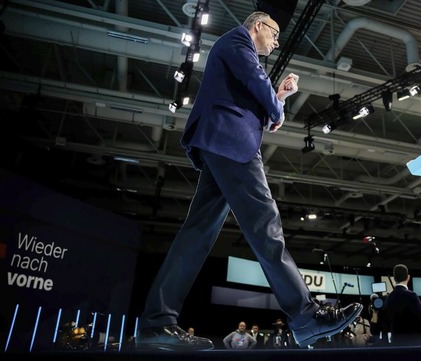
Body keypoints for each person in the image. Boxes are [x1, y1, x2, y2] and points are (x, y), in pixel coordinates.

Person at [135, 11, 362, 351]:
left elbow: (259, 104)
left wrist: (279, 99)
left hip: (221, 143)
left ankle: (156, 324)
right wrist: (277, 105)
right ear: (258, 26)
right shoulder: (238, 41)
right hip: (230, 143)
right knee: (266, 227)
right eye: (274, 33)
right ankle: (305, 317)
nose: (277, 41)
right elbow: (259, 89)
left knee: (196, 235)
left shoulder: (237, 52)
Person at [383, 264, 421, 346]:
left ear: (394, 278)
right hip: (413, 344)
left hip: (396, 344)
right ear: (408, 277)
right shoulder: (411, 296)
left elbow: (386, 322)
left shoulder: (388, 297)